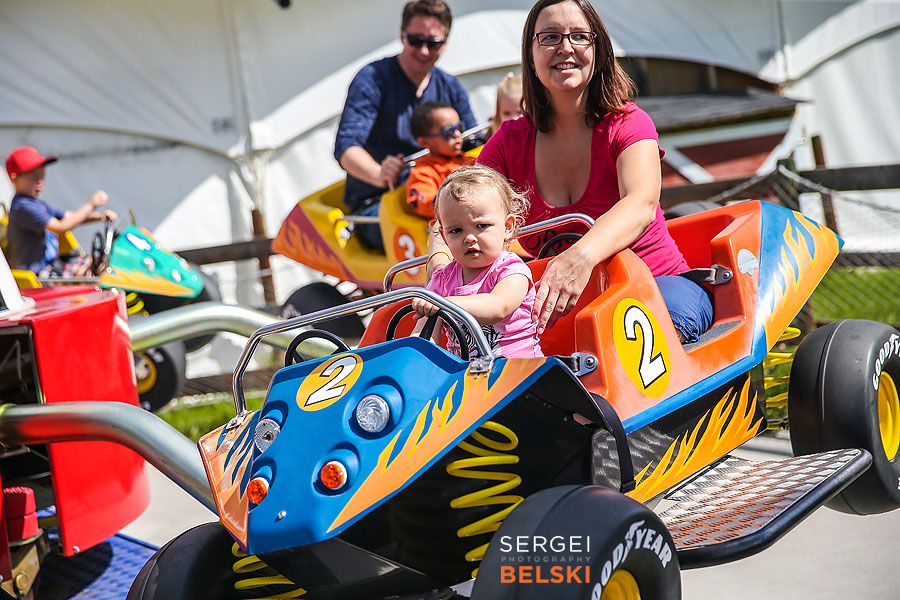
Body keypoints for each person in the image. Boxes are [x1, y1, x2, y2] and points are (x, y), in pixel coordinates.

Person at [428, 0, 713, 344]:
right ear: (530, 57)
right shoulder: (508, 141)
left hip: (655, 287)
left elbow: (640, 203)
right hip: (559, 308)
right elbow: (449, 214)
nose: (565, 47)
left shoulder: (628, 123)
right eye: (549, 37)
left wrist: (579, 258)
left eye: (579, 36)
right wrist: (442, 273)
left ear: (599, 50)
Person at [334, 0, 477, 249]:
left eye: (432, 43)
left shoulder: (450, 86)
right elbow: (346, 147)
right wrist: (380, 174)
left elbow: (475, 143)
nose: (423, 51)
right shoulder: (372, 79)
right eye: (415, 40)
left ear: (445, 44)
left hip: (443, 195)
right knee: (451, 230)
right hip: (381, 203)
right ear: (402, 35)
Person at [412, 165, 542, 359]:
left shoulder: (511, 270)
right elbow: (424, 335)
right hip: (466, 378)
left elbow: (499, 306)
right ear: (444, 237)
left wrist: (443, 303)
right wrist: (413, 355)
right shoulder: (442, 281)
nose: (469, 238)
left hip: (521, 375)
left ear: (507, 227)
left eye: (481, 226)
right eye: (456, 230)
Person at [5, 146, 116, 276]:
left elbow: (69, 216)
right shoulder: (23, 207)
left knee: (96, 260)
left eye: (42, 177)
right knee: (88, 272)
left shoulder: (37, 204)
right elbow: (61, 227)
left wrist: (99, 217)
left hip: (49, 265)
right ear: (15, 179)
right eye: (35, 178)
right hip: (35, 274)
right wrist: (91, 205)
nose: (41, 183)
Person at [406, 102, 476, 218]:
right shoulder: (423, 172)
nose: (458, 135)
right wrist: (455, 199)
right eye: (449, 131)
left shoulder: (469, 160)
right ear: (425, 142)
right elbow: (422, 201)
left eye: (459, 128)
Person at [488, 72, 524, 138]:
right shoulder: (496, 140)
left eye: (519, 112)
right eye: (507, 113)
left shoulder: (538, 138)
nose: (513, 118)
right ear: (498, 114)